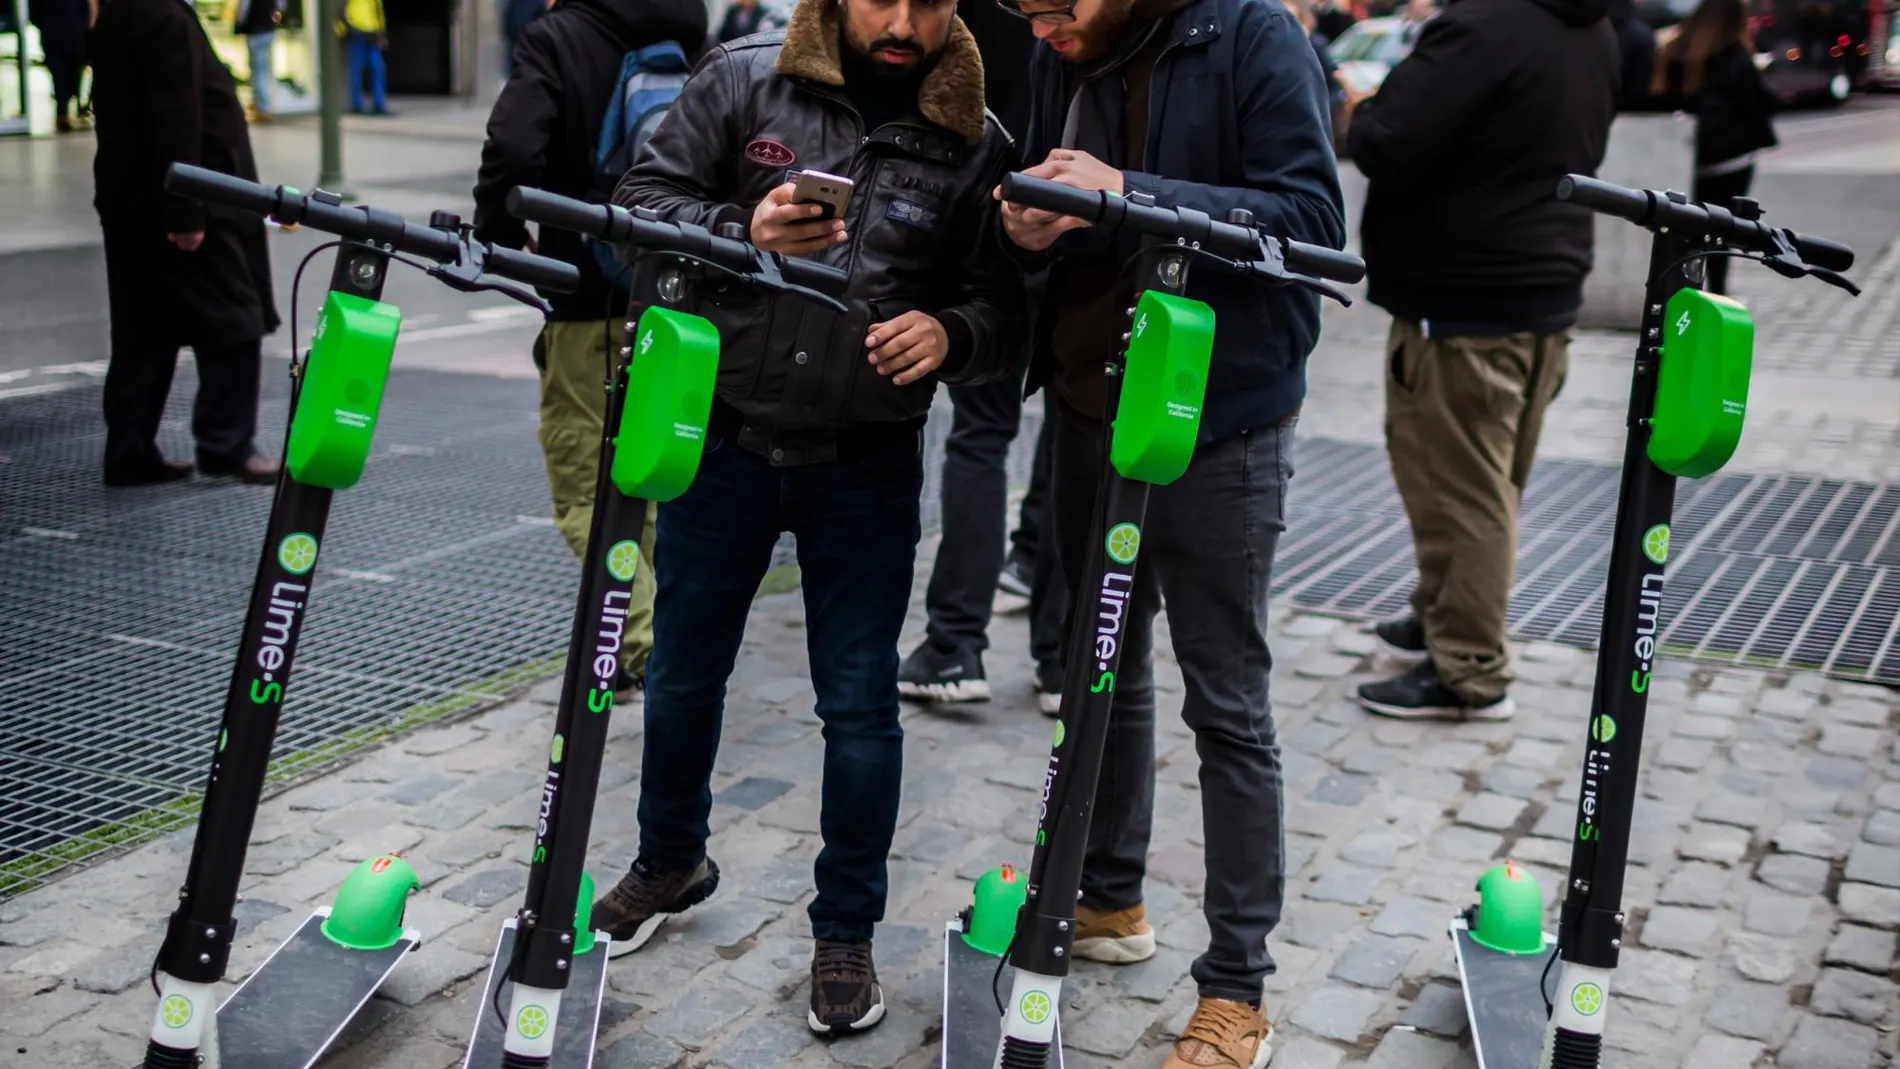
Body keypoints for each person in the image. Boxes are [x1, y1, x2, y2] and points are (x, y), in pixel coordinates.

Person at [588, 0, 1022, 1037]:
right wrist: (744, 229)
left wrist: (953, 334)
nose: (904, 20)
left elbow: (1006, 306)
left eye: (929, 0)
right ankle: (670, 861)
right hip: (724, 438)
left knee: (861, 705)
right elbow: (634, 210)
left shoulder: (976, 138)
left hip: (864, 464)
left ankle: (845, 931)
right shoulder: (742, 79)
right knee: (685, 671)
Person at [998, 0, 1345, 1059]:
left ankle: (1236, 986)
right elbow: (1042, 207)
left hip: (1220, 418)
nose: (1043, 24)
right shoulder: (1067, 52)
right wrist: (1023, 226)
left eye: (1060, 5)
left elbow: (1311, 224)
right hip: (1089, 404)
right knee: (1097, 663)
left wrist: (1124, 196)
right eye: (1025, 7)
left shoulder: (1249, 34)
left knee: (1226, 699)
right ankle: (1107, 899)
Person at [1347, 0, 1617, 719]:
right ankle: (1441, 610)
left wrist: (1362, 102)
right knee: (1488, 479)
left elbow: (1388, 142)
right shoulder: (1589, 25)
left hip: (1463, 300)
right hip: (1539, 289)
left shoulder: (1481, 25)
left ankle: (1468, 666)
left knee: (1459, 489)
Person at [473, 0, 710, 692]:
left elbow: (515, 147)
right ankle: (675, 632)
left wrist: (499, 231)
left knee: (584, 485)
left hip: (583, 296)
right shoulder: (690, 38)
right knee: (655, 482)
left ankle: (638, 648)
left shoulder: (557, 38)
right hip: (669, 299)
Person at [894, 0, 1063, 711]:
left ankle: (956, 641)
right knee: (1071, 433)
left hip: (990, 209)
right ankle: (1058, 656)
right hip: (1072, 210)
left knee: (981, 434)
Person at [90, 0, 280, 486]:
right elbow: (175, 114)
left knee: (144, 329)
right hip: (190, 201)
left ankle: (129, 449)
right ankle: (227, 445)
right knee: (234, 315)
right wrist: (186, 210)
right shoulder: (164, 17)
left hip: (132, 200)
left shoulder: (120, 12)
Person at [1651, 0, 1775, 295]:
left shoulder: (1676, 50)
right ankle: (1716, 294)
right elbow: (1760, 104)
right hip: (1731, 160)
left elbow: (1660, 100)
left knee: (1687, 230)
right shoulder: (1735, 55)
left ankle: (1682, 291)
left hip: (1691, 157)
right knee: (1723, 231)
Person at [28, 0, 89, 132]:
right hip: (54, 34)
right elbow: (34, 12)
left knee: (72, 72)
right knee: (59, 72)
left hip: (74, 34)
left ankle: (66, 103)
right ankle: (62, 112)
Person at [235, 0, 283, 121]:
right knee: (262, 68)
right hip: (268, 29)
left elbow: (243, 10)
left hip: (255, 30)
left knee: (258, 70)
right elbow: (281, 6)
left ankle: (262, 106)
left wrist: (240, 23)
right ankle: (260, 103)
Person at [339, 0, 389, 115]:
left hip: (372, 34)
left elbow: (378, 12)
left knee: (377, 68)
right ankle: (356, 104)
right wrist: (346, 31)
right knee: (356, 70)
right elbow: (340, 12)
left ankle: (379, 104)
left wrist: (381, 33)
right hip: (356, 34)